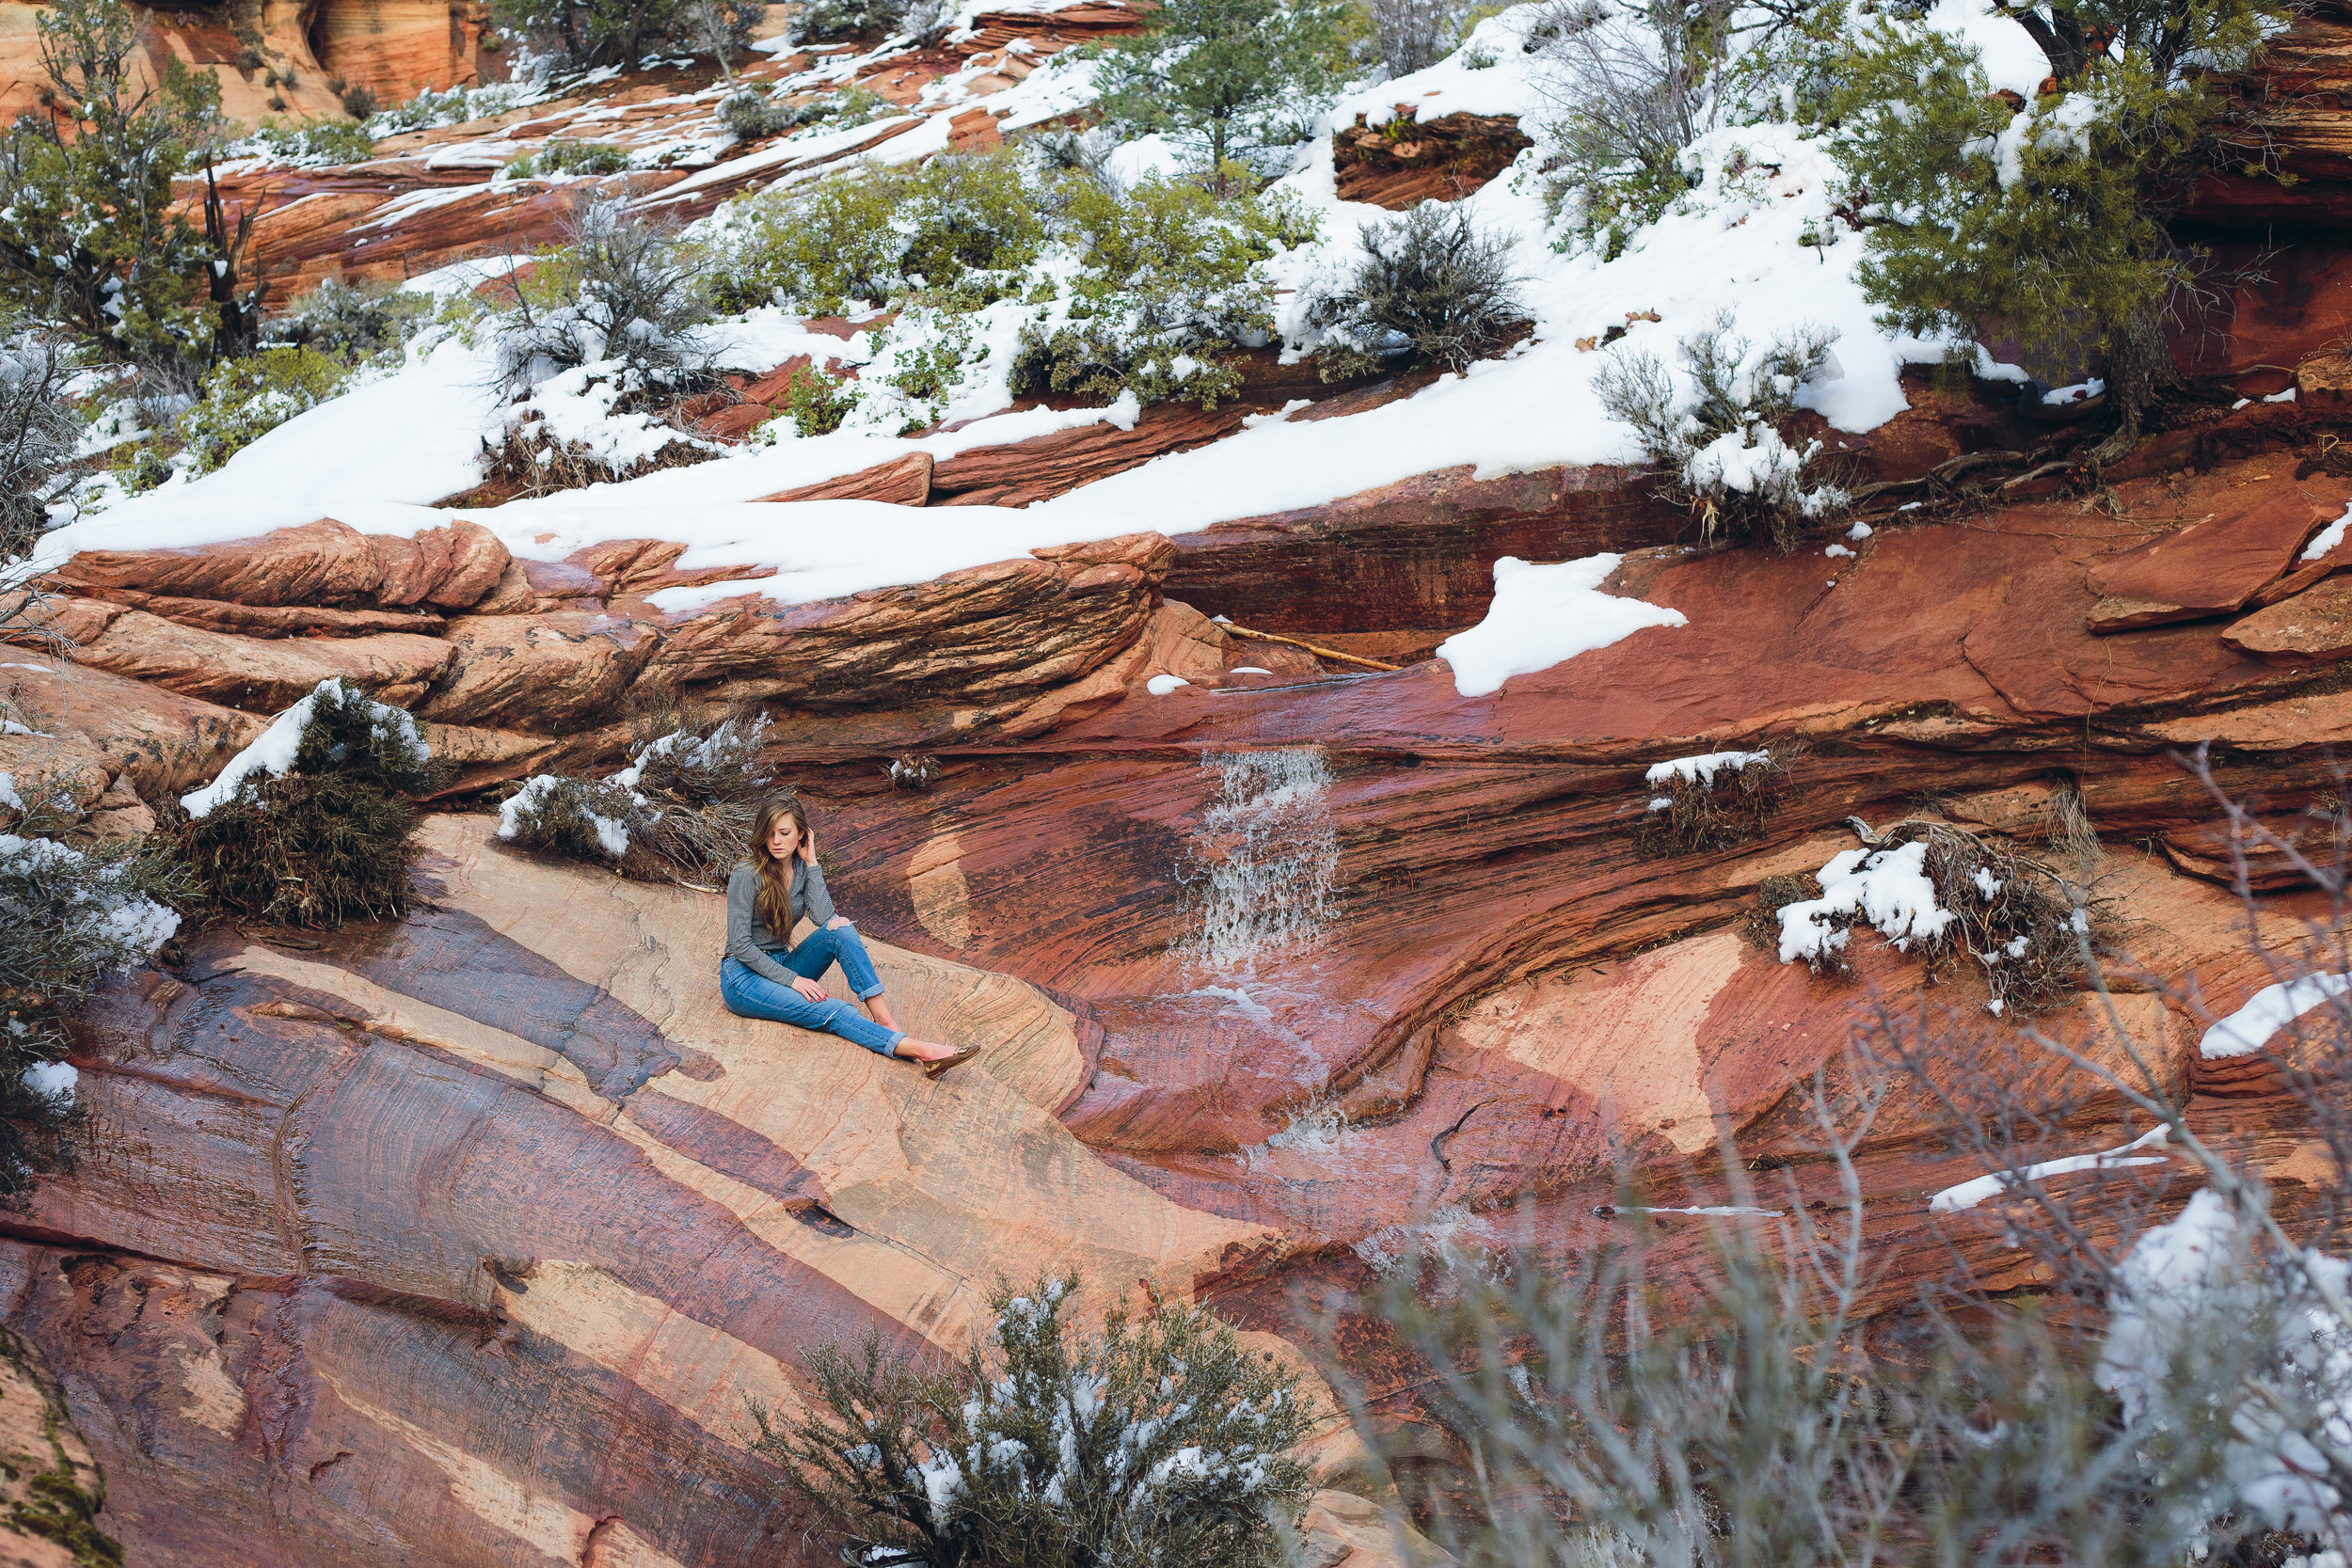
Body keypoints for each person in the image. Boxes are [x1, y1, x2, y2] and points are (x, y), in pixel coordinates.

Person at [721, 796, 977, 1078]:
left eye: (785, 833)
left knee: (841, 929)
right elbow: (741, 945)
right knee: (833, 1010)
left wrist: (813, 862)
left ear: (801, 835)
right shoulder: (747, 873)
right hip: (744, 978)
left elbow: (823, 917)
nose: (776, 841)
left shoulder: (802, 869)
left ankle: (886, 1022)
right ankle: (922, 1051)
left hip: (781, 964)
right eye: (770, 834)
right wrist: (793, 980)